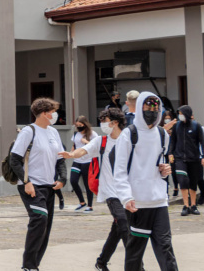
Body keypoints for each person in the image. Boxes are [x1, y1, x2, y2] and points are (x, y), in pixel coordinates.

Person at [111, 92, 176, 270]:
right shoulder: (129, 134)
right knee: (135, 253)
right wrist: (125, 197)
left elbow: (159, 165)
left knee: (165, 247)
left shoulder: (163, 134)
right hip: (137, 202)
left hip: (159, 201)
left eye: (155, 108)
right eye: (147, 108)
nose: (151, 111)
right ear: (139, 108)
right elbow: (120, 170)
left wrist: (165, 170)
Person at [59, 108, 128, 271]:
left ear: (115, 122)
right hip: (111, 192)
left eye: (105, 121)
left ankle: (101, 262)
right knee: (125, 226)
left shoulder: (129, 139)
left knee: (118, 229)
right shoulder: (101, 141)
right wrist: (72, 154)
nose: (102, 124)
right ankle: (138, 266)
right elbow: (83, 150)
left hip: (128, 193)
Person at [9, 97, 66, 271]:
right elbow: (14, 160)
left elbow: (60, 159)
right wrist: (27, 182)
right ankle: (28, 265)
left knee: (45, 227)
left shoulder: (53, 132)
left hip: (49, 187)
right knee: (39, 220)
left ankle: (34, 265)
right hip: (32, 186)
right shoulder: (28, 131)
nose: (55, 114)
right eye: (52, 111)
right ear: (43, 113)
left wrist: (62, 179)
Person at [168, 104, 204, 216]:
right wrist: (170, 153)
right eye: (179, 114)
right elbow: (173, 141)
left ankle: (193, 205)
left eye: (181, 114)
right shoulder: (176, 126)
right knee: (183, 181)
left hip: (194, 158)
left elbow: (202, 142)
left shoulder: (196, 126)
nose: (180, 116)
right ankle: (186, 205)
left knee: (193, 182)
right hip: (180, 158)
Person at [70, 115, 99, 212]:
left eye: (80, 125)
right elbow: (74, 146)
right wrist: (70, 154)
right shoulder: (75, 134)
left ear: (85, 125)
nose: (79, 127)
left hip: (88, 162)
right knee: (73, 180)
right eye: (77, 125)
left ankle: (90, 205)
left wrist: (86, 141)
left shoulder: (92, 134)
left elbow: (96, 147)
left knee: (87, 184)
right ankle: (82, 202)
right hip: (77, 161)